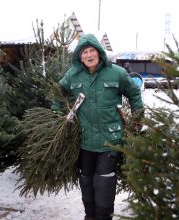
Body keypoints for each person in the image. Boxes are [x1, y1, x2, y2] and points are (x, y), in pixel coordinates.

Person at [51, 33, 144, 220]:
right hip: (84, 139)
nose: (88, 55)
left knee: (104, 181)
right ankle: (90, 216)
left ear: (99, 52)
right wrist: (56, 117)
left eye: (92, 50)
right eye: (84, 52)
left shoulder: (116, 73)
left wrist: (137, 119)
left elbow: (134, 93)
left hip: (110, 139)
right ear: (80, 56)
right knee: (86, 180)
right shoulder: (73, 74)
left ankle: (103, 216)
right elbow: (58, 93)